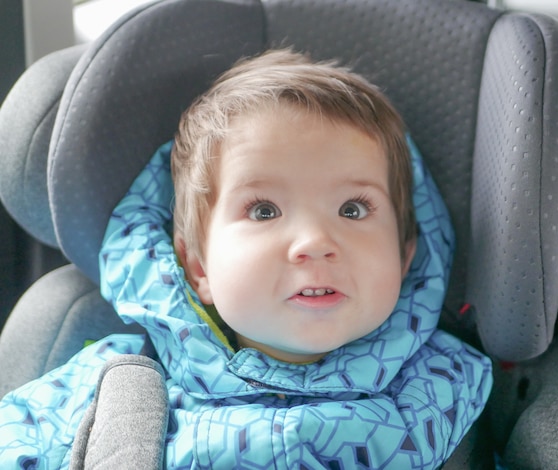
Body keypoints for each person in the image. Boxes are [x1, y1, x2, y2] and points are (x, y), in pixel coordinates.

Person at [0, 49, 492, 468]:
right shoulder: (115, 382)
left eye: (352, 208)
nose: (315, 241)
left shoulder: (452, 385)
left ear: (406, 256)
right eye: (264, 210)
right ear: (199, 268)